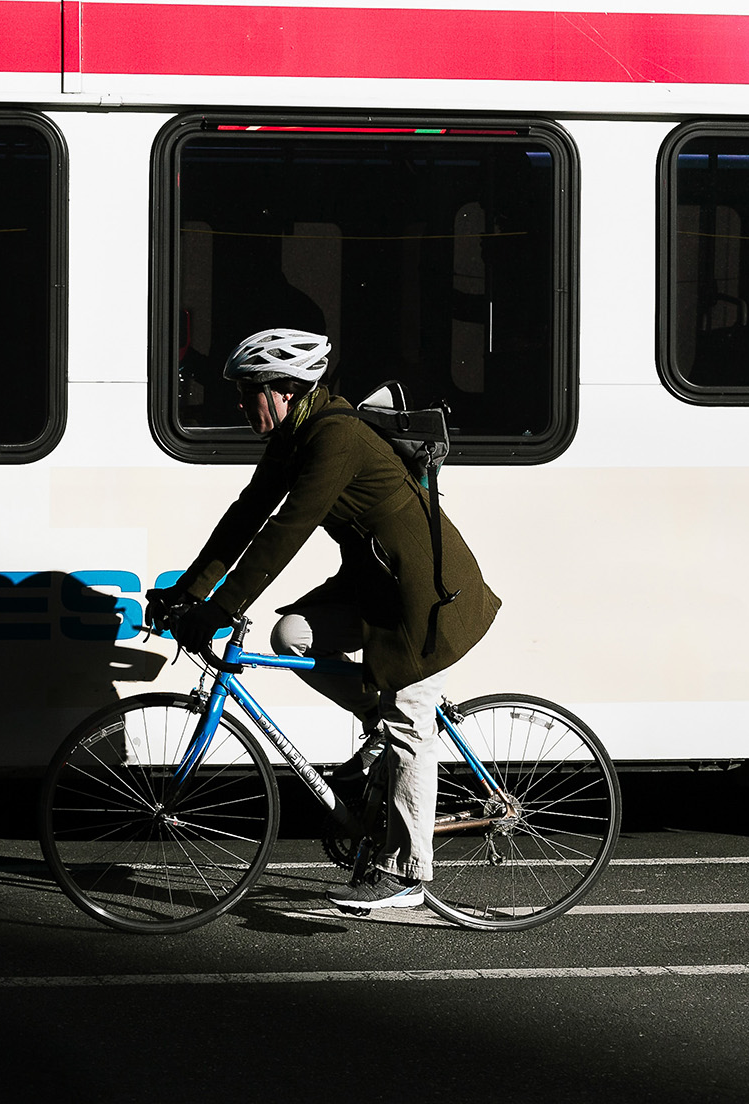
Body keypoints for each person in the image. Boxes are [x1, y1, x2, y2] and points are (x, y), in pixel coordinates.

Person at [145, 328, 501, 912]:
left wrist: (220, 608)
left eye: (247, 391)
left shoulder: (334, 436)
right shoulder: (296, 434)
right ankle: (376, 722)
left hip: (425, 595)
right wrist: (187, 592)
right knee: (292, 635)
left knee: (409, 721)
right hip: (374, 585)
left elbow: (286, 532)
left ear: (285, 389)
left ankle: (407, 871)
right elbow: (246, 516)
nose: (239, 403)